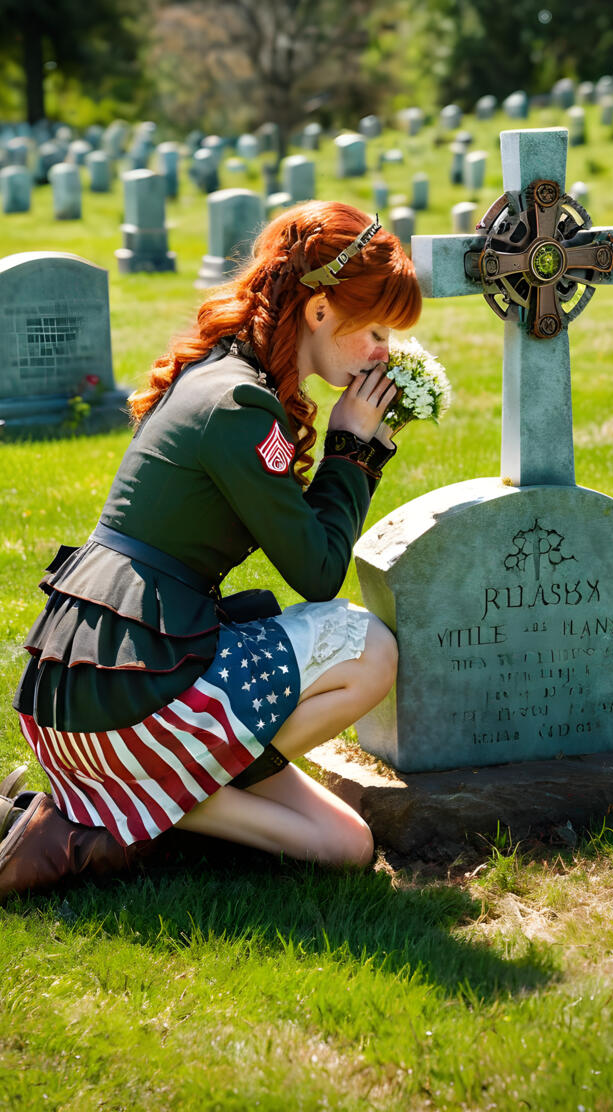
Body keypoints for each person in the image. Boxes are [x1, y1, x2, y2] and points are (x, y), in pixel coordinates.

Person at [0, 200, 422, 899]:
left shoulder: (235, 377)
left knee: (346, 846)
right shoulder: (238, 403)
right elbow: (318, 572)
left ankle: (117, 823)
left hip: (87, 695)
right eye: (375, 329)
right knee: (366, 644)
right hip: (120, 697)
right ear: (319, 312)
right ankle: (109, 820)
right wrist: (353, 450)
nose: (385, 352)